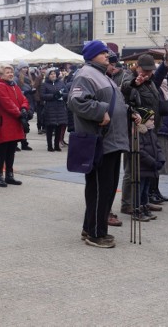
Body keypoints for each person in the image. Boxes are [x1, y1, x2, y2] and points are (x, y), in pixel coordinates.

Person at [68, 41, 136, 248]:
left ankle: (90, 228)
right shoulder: (85, 74)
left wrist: (129, 113)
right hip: (101, 140)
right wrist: (101, 112)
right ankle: (96, 234)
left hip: (112, 140)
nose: (107, 56)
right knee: (100, 189)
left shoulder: (102, 74)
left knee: (105, 188)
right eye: (103, 53)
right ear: (92, 55)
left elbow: (114, 102)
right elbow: (76, 101)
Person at [119, 53, 168, 214]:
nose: (148, 73)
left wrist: (166, 65)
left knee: (145, 168)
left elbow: (157, 81)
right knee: (131, 169)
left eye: (151, 70)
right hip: (133, 129)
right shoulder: (129, 77)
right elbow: (126, 87)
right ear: (138, 67)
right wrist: (136, 82)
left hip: (148, 129)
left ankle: (142, 201)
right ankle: (128, 203)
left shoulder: (150, 81)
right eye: (145, 70)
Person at [0, 65, 29, 187]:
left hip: (14, 122)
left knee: (11, 151)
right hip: (5, 123)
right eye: (7, 72)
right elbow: (7, 103)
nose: (10, 74)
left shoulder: (15, 86)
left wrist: (24, 109)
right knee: (2, 151)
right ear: (1, 75)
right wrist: (20, 114)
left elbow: (24, 99)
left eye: (11, 72)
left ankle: (9, 175)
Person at [134, 107, 165, 222]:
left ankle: (145, 207)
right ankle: (137, 209)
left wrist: (160, 160)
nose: (153, 121)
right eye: (150, 119)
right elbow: (140, 151)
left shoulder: (151, 133)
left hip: (151, 167)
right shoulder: (138, 133)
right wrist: (152, 162)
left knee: (146, 189)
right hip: (142, 167)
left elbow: (158, 147)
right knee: (139, 189)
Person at [40, 68, 67, 152]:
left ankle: (56, 145)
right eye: (51, 74)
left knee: (59, 127)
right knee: (50, 128)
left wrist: (61, 95)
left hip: (60, 107)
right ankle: (50, 146)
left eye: (54, 74)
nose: (53, 75)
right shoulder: (44, 84)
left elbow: (67, 93)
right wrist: (53, 96)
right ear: (48, 75)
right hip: (50, 108)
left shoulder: (61, 83)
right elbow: (42, 95)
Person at [15, 61, 35, 151]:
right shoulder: (16, 79)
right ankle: (15, 143)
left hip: (28, 102)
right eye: (23, 68)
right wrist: (25, 92)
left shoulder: (28, 78)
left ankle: (24, 142)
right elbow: (15, 92)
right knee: (19, 124)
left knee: (25, 124)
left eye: (26, 68)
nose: (25, 69)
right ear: (19, 69)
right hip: (20, 103)